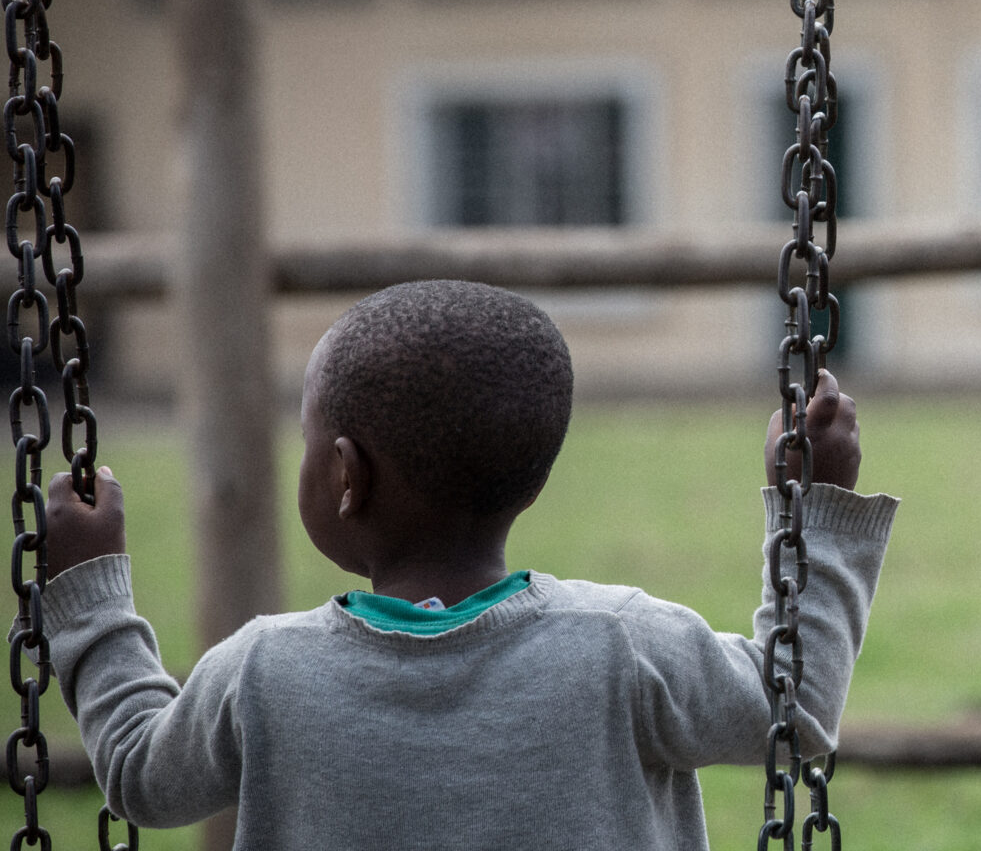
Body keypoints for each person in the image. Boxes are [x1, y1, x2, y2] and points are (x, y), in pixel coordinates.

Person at [34, 279, 895, 850]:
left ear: (344, 475)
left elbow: (142, 777)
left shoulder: (263, 671)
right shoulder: (623, 644)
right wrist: (812, 512)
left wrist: (92, 594)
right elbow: (795, 710)